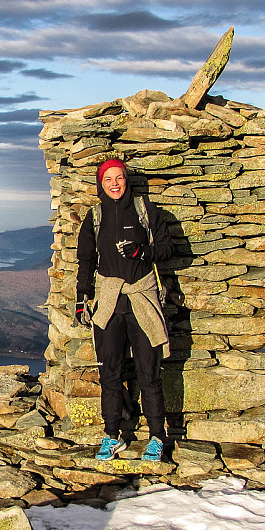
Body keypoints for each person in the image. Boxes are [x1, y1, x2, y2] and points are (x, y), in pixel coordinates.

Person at [74, 159, 173, 462]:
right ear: (101, 184)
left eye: (119, 178)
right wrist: (81, 299)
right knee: (110, 374)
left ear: (126, 180)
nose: (114, 184)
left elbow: (167, 248)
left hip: (142, 298)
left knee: (149, 373)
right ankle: (111, 436)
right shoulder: (95, 217)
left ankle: (157, 437)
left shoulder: (146, 211)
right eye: (108, 179)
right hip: (109, 302)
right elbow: (86, 261)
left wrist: (142, 251)